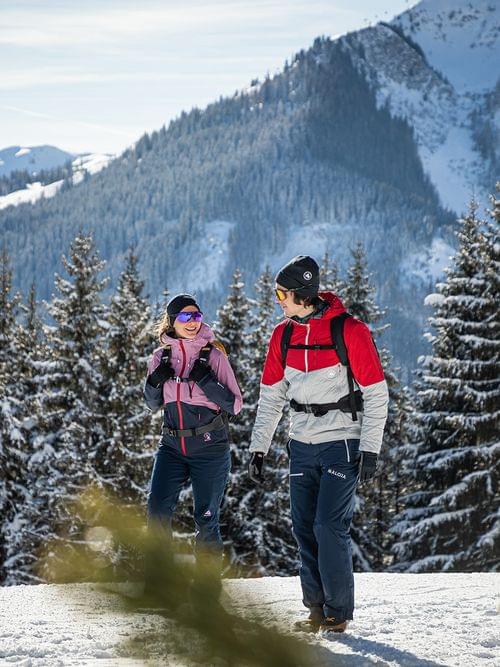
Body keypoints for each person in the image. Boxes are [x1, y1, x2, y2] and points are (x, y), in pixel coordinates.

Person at [248, 255, 388, 633]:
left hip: (342, 442)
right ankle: (315, 609)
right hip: (301, 442)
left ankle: (337, 612)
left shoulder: (350, 331)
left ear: (301, 293)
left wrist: (370, 448)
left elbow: (376, 393)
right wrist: (258, 447)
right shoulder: (284, 334)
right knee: (303, 527)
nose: (278, 299)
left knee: (329, 525)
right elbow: (272, 396)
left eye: (282, 293)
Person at [144, 293, 242, 587]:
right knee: (157, 510)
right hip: (172, 447)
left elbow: (235, 404)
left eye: (196, 316)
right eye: (185, 317)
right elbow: (152, 403)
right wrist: (155, 381)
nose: (192, 322)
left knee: (206, 518)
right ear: (172, 321)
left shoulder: (214, 356)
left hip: (210, 449)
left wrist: (206, 380)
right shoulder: (160, 357)